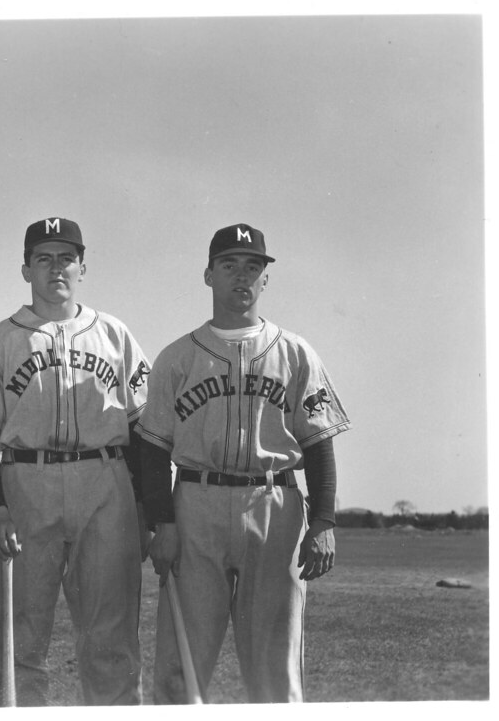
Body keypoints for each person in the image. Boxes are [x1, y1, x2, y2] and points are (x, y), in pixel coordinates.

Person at [137, 223, 352, 703]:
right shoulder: (177, 357)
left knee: (276, 669)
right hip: (196, 503)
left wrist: (323, 521)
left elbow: (317, 443)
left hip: (274, 504)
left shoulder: (296, 353)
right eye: (229, 265)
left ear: (266, 279)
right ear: (208, 276)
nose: (242, 277)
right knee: (181, 668)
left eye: (252, 267)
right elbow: (152, 450)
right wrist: (162, 523)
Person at [0, 217, 151, 706]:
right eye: (44, 258)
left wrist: (145, 509)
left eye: (66, 258)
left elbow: (144, 429)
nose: (56, 267)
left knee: (111, 636)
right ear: (26, 269)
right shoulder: (0, 339)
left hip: (105, 481)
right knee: (18, 636)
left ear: (83, 267)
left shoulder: (115, 334)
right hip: (24, 482)